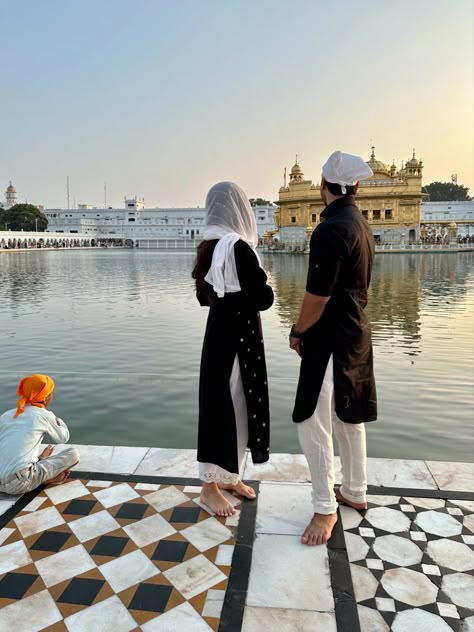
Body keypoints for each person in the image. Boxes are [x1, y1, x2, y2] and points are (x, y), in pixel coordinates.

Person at [289, 151, 377, 546]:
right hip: (356, 333)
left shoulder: (329, 230)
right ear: (355, 187)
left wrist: (297, 331)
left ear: (324, 186)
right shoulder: (360, 223)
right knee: (347, 418)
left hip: (328, 339)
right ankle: (354, 491)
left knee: (312, 423)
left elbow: (317, 297)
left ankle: (325, 507)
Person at [193, 182, 274, 516]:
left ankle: (229, 476)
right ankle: (209, 488)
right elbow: (263, 299)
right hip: (236, 345)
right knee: (225, 410)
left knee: (235, 409)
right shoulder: (237, 247)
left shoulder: (210, 246)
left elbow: (204, 297)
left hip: (221, 340)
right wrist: (265, 281)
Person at [0, 374, 80, 495]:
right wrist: (59, 422)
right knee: (73, 454)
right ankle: (46, 478)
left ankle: (40, 463)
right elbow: (63, 437)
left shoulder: (7, 415)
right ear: (46, 397)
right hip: (19, 483)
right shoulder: (44, 415)